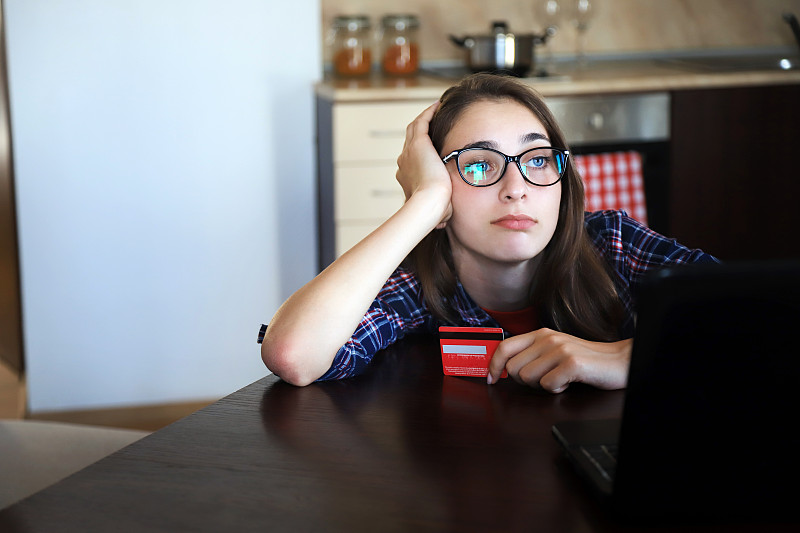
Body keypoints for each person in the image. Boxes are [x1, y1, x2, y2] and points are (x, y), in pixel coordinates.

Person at [259, 73, 717, 392]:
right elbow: (293, 354)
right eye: (479, 165)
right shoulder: (415, 285)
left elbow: (761, 316)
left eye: (537, 159)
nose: (516, 189)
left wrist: (628, 358)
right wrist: (422, 205)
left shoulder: (612, 240)